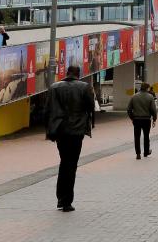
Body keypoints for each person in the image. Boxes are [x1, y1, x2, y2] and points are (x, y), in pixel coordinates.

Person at [46, 65, 94, 212]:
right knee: (71, 165)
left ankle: (60, 198)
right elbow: (91, 106)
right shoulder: (84, 87)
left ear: (67, 73)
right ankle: (66, 201)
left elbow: (48, 109)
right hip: (76, 131)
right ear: (78, 74)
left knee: (64, 162)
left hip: (60, 131)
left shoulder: (54, 87)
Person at [128, 82, 158, 159]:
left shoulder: (134, 96)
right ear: (147, 88)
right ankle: (146, 152)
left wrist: (132, 118)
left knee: (137, 137)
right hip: (146, 119)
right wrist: (154, 119)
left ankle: (138, 154)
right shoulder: (150, 97)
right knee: (146, 136)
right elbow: (153, 110)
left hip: (136, 119)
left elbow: (129, 109)